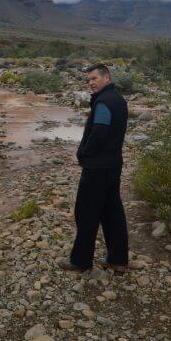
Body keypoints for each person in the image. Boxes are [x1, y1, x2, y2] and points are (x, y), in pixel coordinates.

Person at [59, 63, 129, 273]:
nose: (90, 83)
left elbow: (99, 132)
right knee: (112, 211)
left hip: (97, 167)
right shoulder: (118, 98)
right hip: (113, 164)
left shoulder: (104, 102)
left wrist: (83, 153)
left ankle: (80, 261)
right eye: (88, 80)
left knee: (86, 212)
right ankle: (118, 260)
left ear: (106, 78)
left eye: (94, 79)